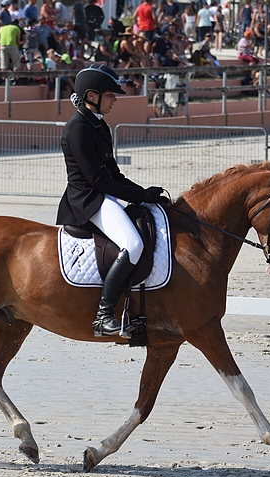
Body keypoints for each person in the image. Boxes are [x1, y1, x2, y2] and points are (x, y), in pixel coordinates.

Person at [56, 64, 169, 338]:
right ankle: (104, 314)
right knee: (133, 244)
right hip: (87, 200)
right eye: (111, 95)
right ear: (92, 95)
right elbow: (97, 180)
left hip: (102, 195)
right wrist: (140, 195)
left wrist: (144, 193)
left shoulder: (99, 125)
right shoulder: (78, 128)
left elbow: (114, 173)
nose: (115, 99)